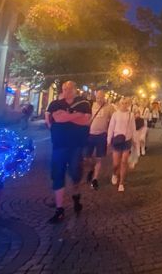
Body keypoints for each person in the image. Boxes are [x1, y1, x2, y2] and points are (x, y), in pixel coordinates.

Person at [46, 81, 91, 223]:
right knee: (57, 174)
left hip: (76, 146)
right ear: (62, 90)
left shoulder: (84, 103)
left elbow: (86, 121)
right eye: (65, 88)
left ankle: (76, 197)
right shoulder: (54, 104)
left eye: (70, 88)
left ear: (75, 89)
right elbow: (53, 119)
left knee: (75, 174)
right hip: (59, 145)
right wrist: (76, 115)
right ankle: (59, 209)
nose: (67, 90)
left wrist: (65, 116)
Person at [86, 90, 115, 189]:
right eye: (97, 98)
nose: (99, 100)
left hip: (102, 135)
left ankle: (95, 179)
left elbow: (114, 119)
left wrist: (111, 132)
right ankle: (91, 169)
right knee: (87, 157)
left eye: (101, 97)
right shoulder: (91, 105)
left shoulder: (109, 107)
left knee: (99, 158)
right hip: (90, 135)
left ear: (104, 97)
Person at [107, 97, 136, 192]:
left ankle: (121, 183)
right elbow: (111, 127)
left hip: (127, 140)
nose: (124, 105)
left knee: (124, 161)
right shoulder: (115, 114)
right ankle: (114, 173)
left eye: (126, 103)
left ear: (128, 104)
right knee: (116, 164)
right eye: (122, 103)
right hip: (117, 140)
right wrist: (108, 139)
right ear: (119, 104)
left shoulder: (131, 115)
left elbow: (133, 128)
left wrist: (135, 141)